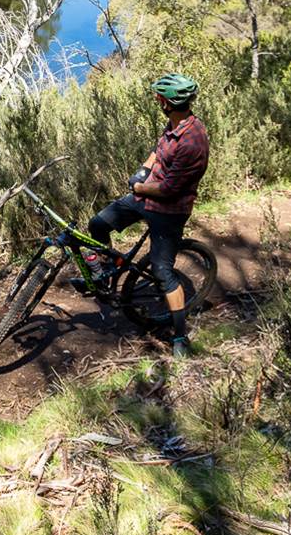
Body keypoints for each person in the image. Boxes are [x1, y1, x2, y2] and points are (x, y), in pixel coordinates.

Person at [72, 73, 208, 356]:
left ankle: (180, 336)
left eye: (160, 98)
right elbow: (157, 153)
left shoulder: (192, 142)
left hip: (169, 208)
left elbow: (170, 190)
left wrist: (139, 185)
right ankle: (103, 276)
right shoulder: (174, 124)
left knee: (162, 273)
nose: (157, 101)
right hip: (146, 194)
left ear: (169, 102)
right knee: (98, 224)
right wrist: (144, 170)